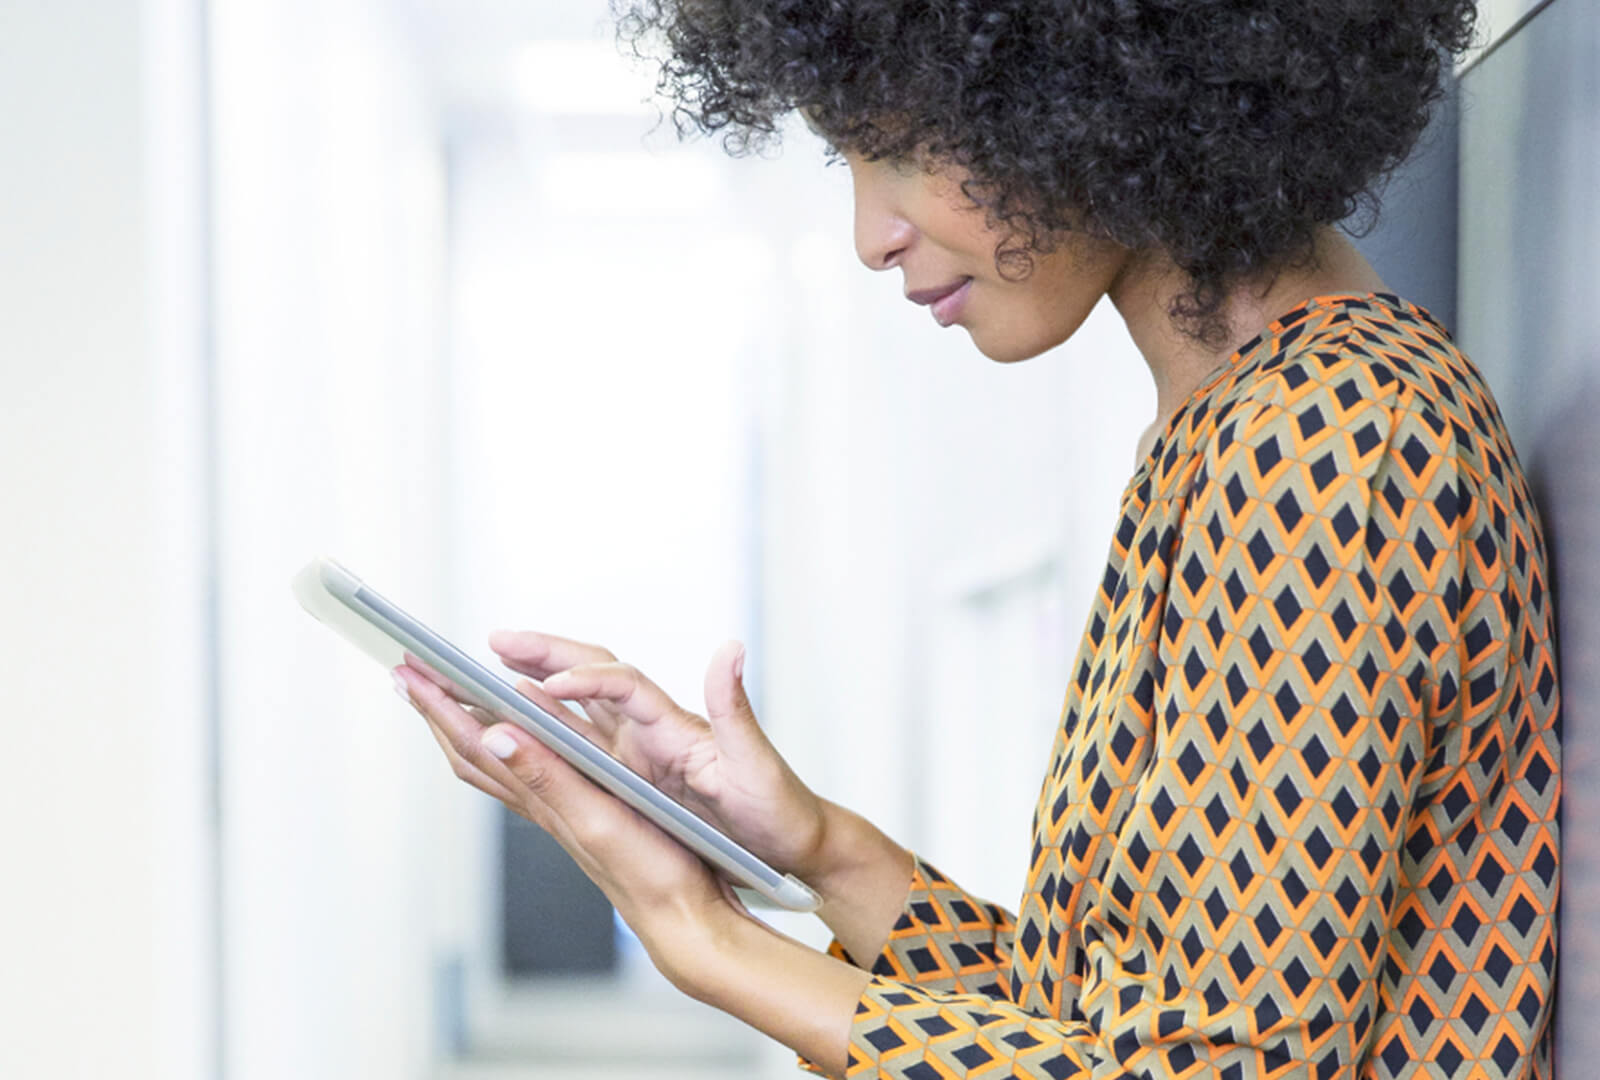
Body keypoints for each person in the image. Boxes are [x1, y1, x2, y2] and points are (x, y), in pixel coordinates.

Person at [392, 1, 1561, 1076]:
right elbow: (1103, 1023)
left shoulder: (1325, 445)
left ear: (1094, 88)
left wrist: (703, 938)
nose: (868, 234)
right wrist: (816, 846)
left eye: (899, 146)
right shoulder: (1242, 427)